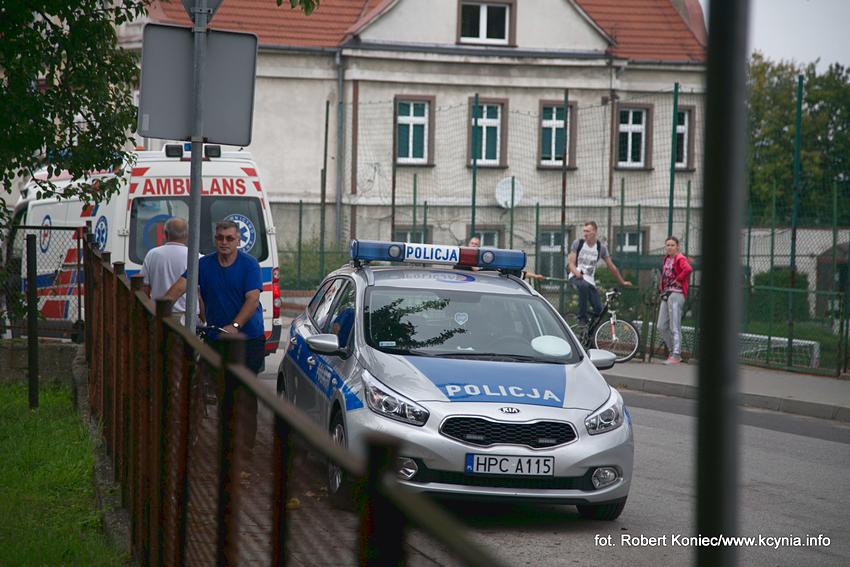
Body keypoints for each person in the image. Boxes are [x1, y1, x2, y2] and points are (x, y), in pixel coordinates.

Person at [165, 220, 264, 447]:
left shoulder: (249, 265)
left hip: (248, 339)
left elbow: (252, 299)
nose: (224, 242)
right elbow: (180, 286)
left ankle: (246, 445)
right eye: (220, 238)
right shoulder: (204, 264)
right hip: (217, 337)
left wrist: (235, 325)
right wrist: (161, 308)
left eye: (229, 238)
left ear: (238, 241)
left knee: (246, 391)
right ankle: (227, 441)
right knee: (223, 390)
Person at [567, 221, 632, 324]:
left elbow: (612, 267)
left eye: (588, 231)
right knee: (583, 286)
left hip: (589, 280)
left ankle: (589, 332)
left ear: (595, 232)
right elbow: (571, 263)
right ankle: (581, 318)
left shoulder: (601, 248)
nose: (585, 234)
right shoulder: (578, 243)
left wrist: (622, 281)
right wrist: (576, 272)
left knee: (599, 310)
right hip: (576, 277)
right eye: (584, 231)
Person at [140, 217, 197, 318]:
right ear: (186, 235)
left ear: (165, 234)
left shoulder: (152, 255)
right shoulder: (196, 257)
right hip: (188, 318)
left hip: (159, 313)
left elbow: (145, 288)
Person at [657, 236, 693, 364]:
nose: (670, 247)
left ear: (677, 246)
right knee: (661, 325)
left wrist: (679, 279)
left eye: (672, 245)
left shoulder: (680, 258)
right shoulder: (667, 259)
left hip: (676, 294)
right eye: (668, 245)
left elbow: (688, 269)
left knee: (674, 325)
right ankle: (673, 352)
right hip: (667, 294)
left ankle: (676, 354)